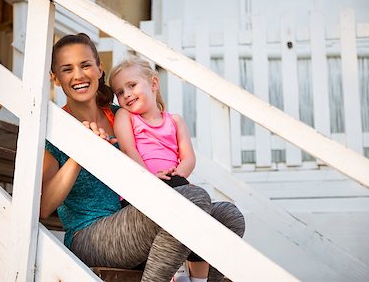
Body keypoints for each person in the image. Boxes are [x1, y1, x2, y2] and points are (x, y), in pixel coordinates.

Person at [40, 33, 245, 282]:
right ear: (56, 78)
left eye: (85, 65)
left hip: (140, 217)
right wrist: (79, 154)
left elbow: (159, 140)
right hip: (91, 235)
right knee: (193, 199)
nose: (79, 75)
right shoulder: (55, 129)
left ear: (98, 69)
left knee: (228, 217)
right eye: (67, 69)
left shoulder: (124, 115)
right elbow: (43, 207)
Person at [109, 55, 245, 282]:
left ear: (153, 84)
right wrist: (150, 178)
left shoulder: (174, 121)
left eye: (131, 86)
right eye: (120, 92)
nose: (126, 95)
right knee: (188, 211)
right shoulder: (126, 117)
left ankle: (198, 279)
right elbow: (129, 151)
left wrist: (177, 174)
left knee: (204, 216)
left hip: (175, 183)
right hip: (141, 188)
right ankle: (179, 273)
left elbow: (189, 158)